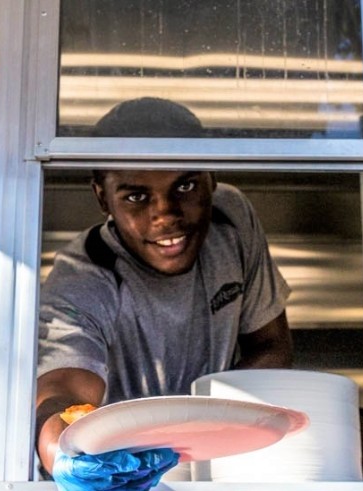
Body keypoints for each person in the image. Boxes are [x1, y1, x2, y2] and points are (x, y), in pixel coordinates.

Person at [35, 98, 294, 490]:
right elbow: (62, 391)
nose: (166, 214)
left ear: (212, 177)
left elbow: (272, 345)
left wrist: (205, 425)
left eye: (185, 185)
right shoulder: (84, 277)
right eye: (136, 197)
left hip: (218, 471)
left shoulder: (232, 220)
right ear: (102, 198)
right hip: (123, 478)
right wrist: (63, 456)